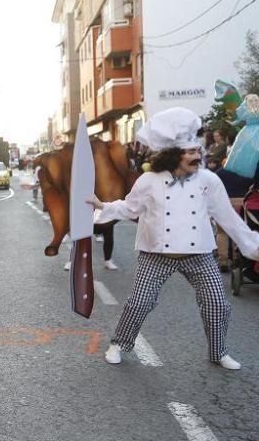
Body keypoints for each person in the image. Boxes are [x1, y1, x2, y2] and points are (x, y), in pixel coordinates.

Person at [89, 108, 259, 370]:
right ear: (172, 156)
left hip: (199, 255)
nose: (196, 156)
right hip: (156, 255)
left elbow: (228, 218)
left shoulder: (209, 181)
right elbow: (129, 208)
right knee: (140, 302)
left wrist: (253, 246)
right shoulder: (148, 181)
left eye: (196, 151)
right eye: (189, 152)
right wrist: (103, 206)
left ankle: (218, 351)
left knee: (217, 304)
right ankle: (119, 344)